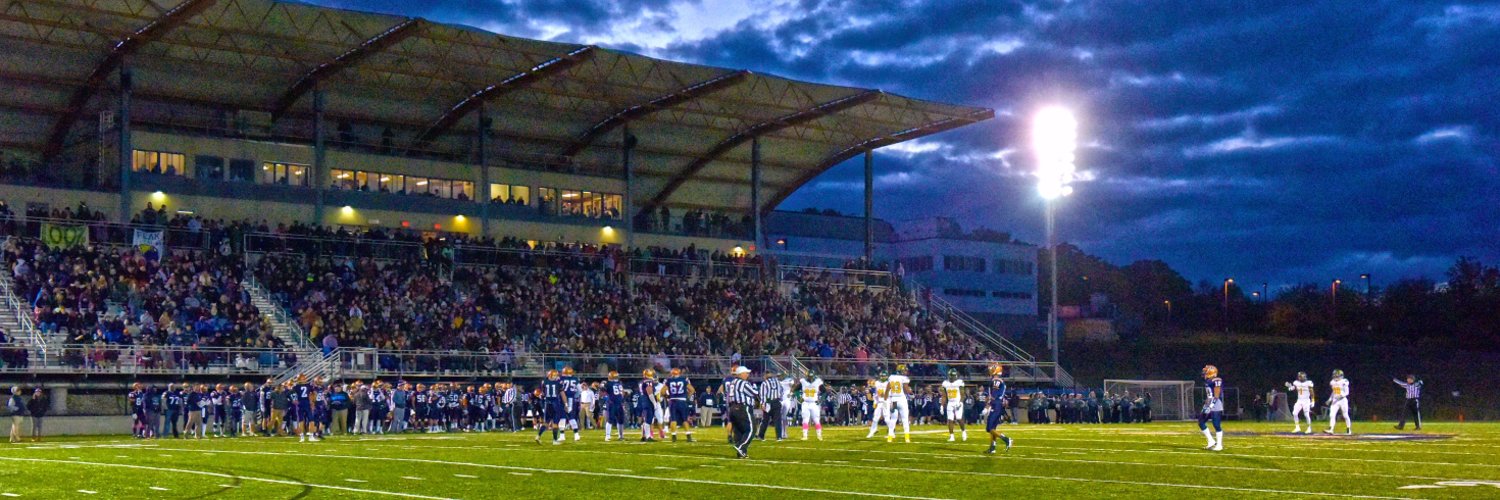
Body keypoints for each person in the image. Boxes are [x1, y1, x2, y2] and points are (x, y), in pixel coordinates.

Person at [724, 366, 758, 458]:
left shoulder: (732, 382)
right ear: (741, 374)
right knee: (751, 429)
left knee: (739, 431)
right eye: (746, 373)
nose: (748, 375)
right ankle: (741, 447)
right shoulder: (743, 383)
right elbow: (755, 392)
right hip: (742, 407)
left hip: (732, 408)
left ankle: (741, 453)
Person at [984, 364, 1013, 454]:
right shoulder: (999, 381)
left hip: (995, 405)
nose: (990, 371)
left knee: (989, 428)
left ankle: (1006, 439)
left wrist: (987, 405)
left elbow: (993, 395)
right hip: (998, 405)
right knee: (993, 428)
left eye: (992, 369)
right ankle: (992, 448)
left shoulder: (996, 381)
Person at [536, 369, 570, 445]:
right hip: (555, 403)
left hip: (547, 403)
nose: (556, 376)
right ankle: (555, 440)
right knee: (555, 423)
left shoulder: (544, 382)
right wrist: (566, 404)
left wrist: (541, 396)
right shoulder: (558, 382)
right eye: (555, 375)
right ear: (551, 375)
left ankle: (538, 436)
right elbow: (562, 394)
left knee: (546, 422)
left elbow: (541, 394)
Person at [663, 368, 696, 442]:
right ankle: (688, 436)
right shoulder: (684, 379)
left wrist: (667, 397)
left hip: (672, 401)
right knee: (684, 419)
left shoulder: (669, 380)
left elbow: (662, 391)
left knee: (673, 419)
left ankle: (674, 436)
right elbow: (692, 390)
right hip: (682, 401)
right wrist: (687, 397)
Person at [1199, 365, 1224, 451]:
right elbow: (1209, 395)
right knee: (1201, 422)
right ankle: (1211, 441)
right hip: (1209, 403)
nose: (1204, 374)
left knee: (1216, 425)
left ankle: (1219, 445)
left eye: (1205, 372)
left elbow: (1216, 396)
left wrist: (1211, 406)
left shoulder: (1216, 380)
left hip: (1215, 404)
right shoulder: (1208, 381)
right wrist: (1206, 404)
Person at [885, 365, 913, 443]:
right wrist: (911, 392)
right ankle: (907, 438)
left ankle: (890, 437)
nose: (905, 372)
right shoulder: (903, 378)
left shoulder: (891, 377)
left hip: (893, 400)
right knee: (905, 419)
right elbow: (906, 390)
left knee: (893, 419)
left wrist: (885, 400)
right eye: (904, 370)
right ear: (901, 371)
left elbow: (887, 390)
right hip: (901, 399)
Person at [756, 372, 785, 440]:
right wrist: (780, 399)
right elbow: (782, 391)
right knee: (778, 420)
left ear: (766, 376)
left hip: (768, 403)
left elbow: (763, 394)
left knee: (765, 420)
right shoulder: (777, 382)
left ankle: (761, 436)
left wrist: (762, 403)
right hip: (777, 402)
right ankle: (779, 437)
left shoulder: (765, 383)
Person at [941, 369, 967, 442]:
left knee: (959, 418)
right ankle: (952, 436)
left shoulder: (959, 382)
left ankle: (963, 431)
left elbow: (962, 394)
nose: (953, 377)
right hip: (950, 403)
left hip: (957, 402)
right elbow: (944, 396)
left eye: (954, 376)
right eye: (951, 376)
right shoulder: (945, 383)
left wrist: (961, 402)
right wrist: (942, 406)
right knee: (950, 420)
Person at [797, 372, 824, 441]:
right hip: (805, 403)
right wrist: (798, 397)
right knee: (805, 420)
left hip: (814, 403)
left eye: (811, 377)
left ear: (814, 376)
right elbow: (795, 389)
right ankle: (805, 436)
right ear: (807, 376)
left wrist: (820, 399)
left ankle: (819, 435)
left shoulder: (818, 381)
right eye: (809, 377)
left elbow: (825, 391)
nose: (810, 378)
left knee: (816, 420)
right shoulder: (803, 381)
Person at [601, 371, 627, 441]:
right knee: (614, 420)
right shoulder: (618, 383)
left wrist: (606, 398)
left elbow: (602, 393)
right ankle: (612, 435)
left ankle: (617, 436)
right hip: (614, 403)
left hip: (614, 403)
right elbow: (623, 393)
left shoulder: (608, 383)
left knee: (617, 420)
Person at [1326, 369, 1352, 435]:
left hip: (1342, 400)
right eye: (1335, 376)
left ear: (1341, 376)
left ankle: (1348, 429)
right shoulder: (1332, 382)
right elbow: (1333, 392)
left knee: (1345, 415)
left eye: (1337, 376)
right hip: (1335, 400)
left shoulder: (1344, 381)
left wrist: (1341, 396)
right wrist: (1329, 399)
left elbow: (1347, 392)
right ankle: (1331, 429)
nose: (1336, 377)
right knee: (1332, 415)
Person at [637, 369, 660, 442]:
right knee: (648, 420)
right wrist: (654, 403)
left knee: (647, 419)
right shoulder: (648, 381)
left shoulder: (642, 381)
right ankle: (648, 437)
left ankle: (643, 436)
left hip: (642, 400)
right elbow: (649, 392)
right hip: (648, 401)